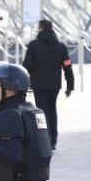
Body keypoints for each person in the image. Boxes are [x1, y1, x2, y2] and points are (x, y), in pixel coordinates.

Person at [23, 19, 74, 151]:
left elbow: (27, 65)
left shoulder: (33, 45)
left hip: (39, 84)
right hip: (54, 85)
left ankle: (45, 140)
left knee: (42, 111)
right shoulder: (61, 46)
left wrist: (22, 81)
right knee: (52, 110)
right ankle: (53, 141)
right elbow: (67, 66)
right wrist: (70, 85)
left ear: (40, 28)